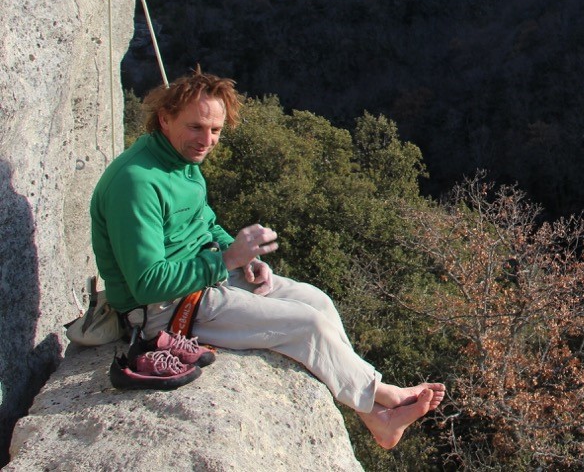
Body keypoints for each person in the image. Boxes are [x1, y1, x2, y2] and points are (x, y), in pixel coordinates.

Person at [90, 68, 444, 449]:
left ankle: (376, 418)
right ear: (164, 118)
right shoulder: (137, 182)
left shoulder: (181, 162)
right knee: (307, 325)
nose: (206, 140)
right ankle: (385, 397)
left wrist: (244, 260)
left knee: (316, 301)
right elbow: (147, 284)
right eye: (196, 127)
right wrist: (227, 259)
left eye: (215, 131)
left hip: (202, 281)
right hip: (164, 309)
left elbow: (203, 222)